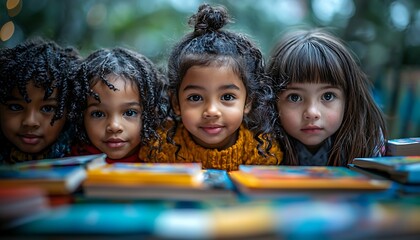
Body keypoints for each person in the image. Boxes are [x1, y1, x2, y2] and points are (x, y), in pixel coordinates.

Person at [139, 3, 283, 171]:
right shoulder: (161, 149)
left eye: (227, 97)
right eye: (195, 97)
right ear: (176, 103)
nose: (212, 111)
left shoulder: (262, 152)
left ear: (248, 102)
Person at [266, 29, 387, 166]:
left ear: (349, 99)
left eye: (328, 96)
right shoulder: (258, 146)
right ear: (271, 100)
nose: (312, 113)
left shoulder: (367, 141)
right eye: (294, 97)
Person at [71, 47, 169, 163]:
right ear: (80, 115)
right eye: (98, 114)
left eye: (130, 112)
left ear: (152, 112)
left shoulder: (165, 158)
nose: (114, 126)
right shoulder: (69, 161)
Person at [0, 38, 80, 164]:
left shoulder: (84, 158)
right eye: (15, 107)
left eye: (48, 108)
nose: (30, 122)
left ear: (68, 112)